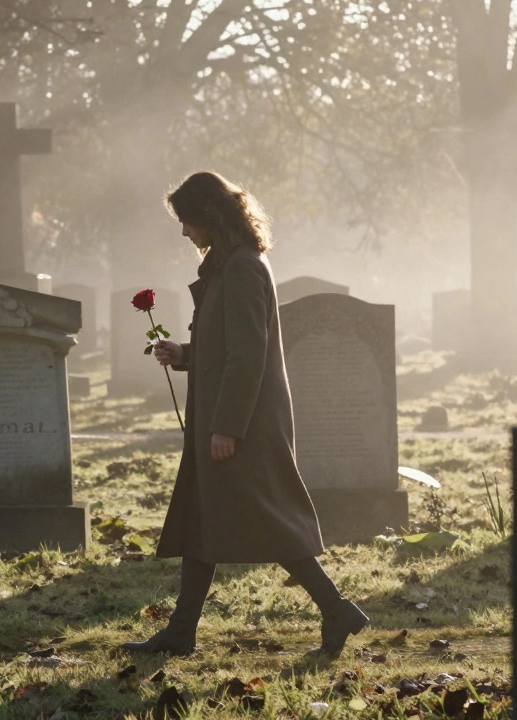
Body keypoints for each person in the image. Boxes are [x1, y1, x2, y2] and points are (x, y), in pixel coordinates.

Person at [122, 171, 368, 657]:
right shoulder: (227, 265)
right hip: (224, 416)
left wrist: (227, 428)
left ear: (210, 215)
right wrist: (185, 354)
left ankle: (336, 609)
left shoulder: (241, 269)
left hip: (244, 423)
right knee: (201, 518)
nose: (184, 231)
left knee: (270, 522)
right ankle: (181, 631)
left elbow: (249, 355)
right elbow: (226, 344)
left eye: (187, 220)